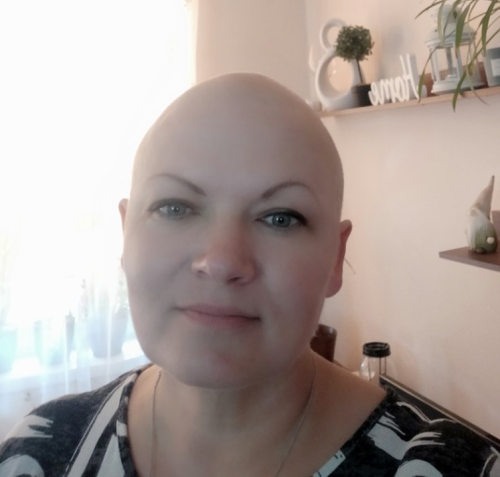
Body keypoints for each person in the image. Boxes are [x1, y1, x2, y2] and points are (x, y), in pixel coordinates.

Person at [0, 73, 497, 477]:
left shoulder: (446, 468)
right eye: (174, 208)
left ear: (335, 257)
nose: (221, 261)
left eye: (280, 218)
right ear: (126, 235)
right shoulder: (38, 452)